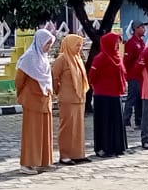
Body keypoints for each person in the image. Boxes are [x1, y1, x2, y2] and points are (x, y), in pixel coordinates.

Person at [15, 29, 56, 173]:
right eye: (47, 43)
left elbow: (47, 78)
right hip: (32, 100)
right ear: (40, 42)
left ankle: (43, 160)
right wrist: (21, 94)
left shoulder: (43, 57)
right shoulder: (29, 57)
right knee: (32, 132)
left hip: (44, 99)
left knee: (45, 131)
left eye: (50, 43)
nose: (49, 46)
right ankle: (27, 163)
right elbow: (19, 80)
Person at [52, 33, 91, 165]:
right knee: (67, 127)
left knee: (78, 127)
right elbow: (54, 78)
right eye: (77, 45)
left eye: (80, 45)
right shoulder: (62, 59)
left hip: (79, 97)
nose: (79, 48)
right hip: (67, 98)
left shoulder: (78, 58)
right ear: (69, 45)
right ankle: (65, 155)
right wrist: (58, 92)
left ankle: (78, 153)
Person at [90, 33, 129, 157]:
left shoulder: (117, 57)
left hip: (115, 94)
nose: (117, 45)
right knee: (105, 122)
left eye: (118, 43)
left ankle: (117, 146)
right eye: (115, 42)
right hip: (102, 95)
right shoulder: (100, 58)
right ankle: (104, 147)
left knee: (116, 121)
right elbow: (92, 76)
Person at [122, 20, 148, 129]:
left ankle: (139, 121)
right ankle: (126, 121)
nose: (144, 29)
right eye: (141, 27)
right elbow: (126, 61)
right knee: (131, 99)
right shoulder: (131, 43)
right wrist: (127, 74)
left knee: (139, 100)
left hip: (141, 76)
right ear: (136, 29)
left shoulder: (141, 42)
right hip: (133, 76)